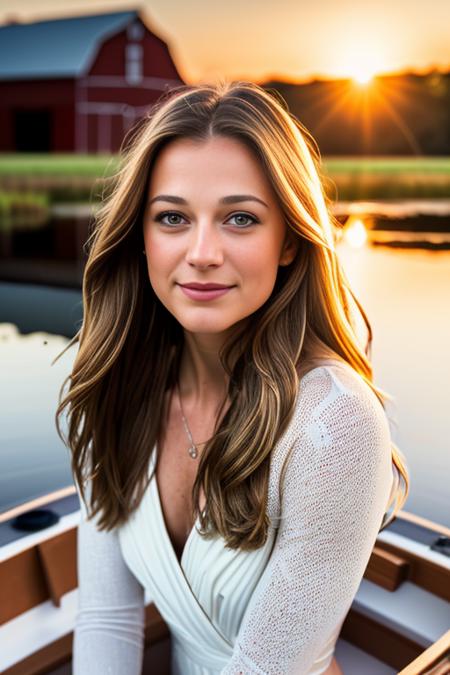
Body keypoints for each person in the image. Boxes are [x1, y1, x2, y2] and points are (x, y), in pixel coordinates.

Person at [55, 80, 409, 675]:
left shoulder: (334, 425)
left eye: (240, 218)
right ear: (141, 237)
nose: (201, 252)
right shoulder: (115, 387)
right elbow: (107, 619)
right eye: (172, 217)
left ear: (290, 241)